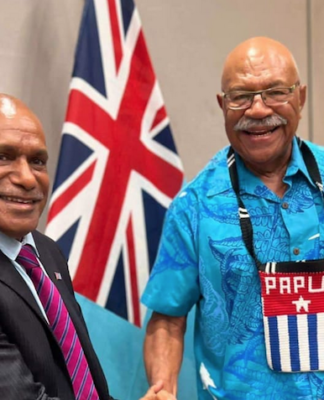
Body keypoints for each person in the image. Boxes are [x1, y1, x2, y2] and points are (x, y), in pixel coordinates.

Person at [142, 36, 324, 399]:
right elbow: (167, 318)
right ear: (222, 105)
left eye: (275, 92)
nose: (257, 110)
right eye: (241, 96)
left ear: (300, 98)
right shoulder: (194, 206)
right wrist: (162, 387)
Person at [0, 93, 174, 400]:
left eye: (38, 161)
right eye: (4, 157)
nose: (28, 178)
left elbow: (78, 387)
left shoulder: (46, 252)